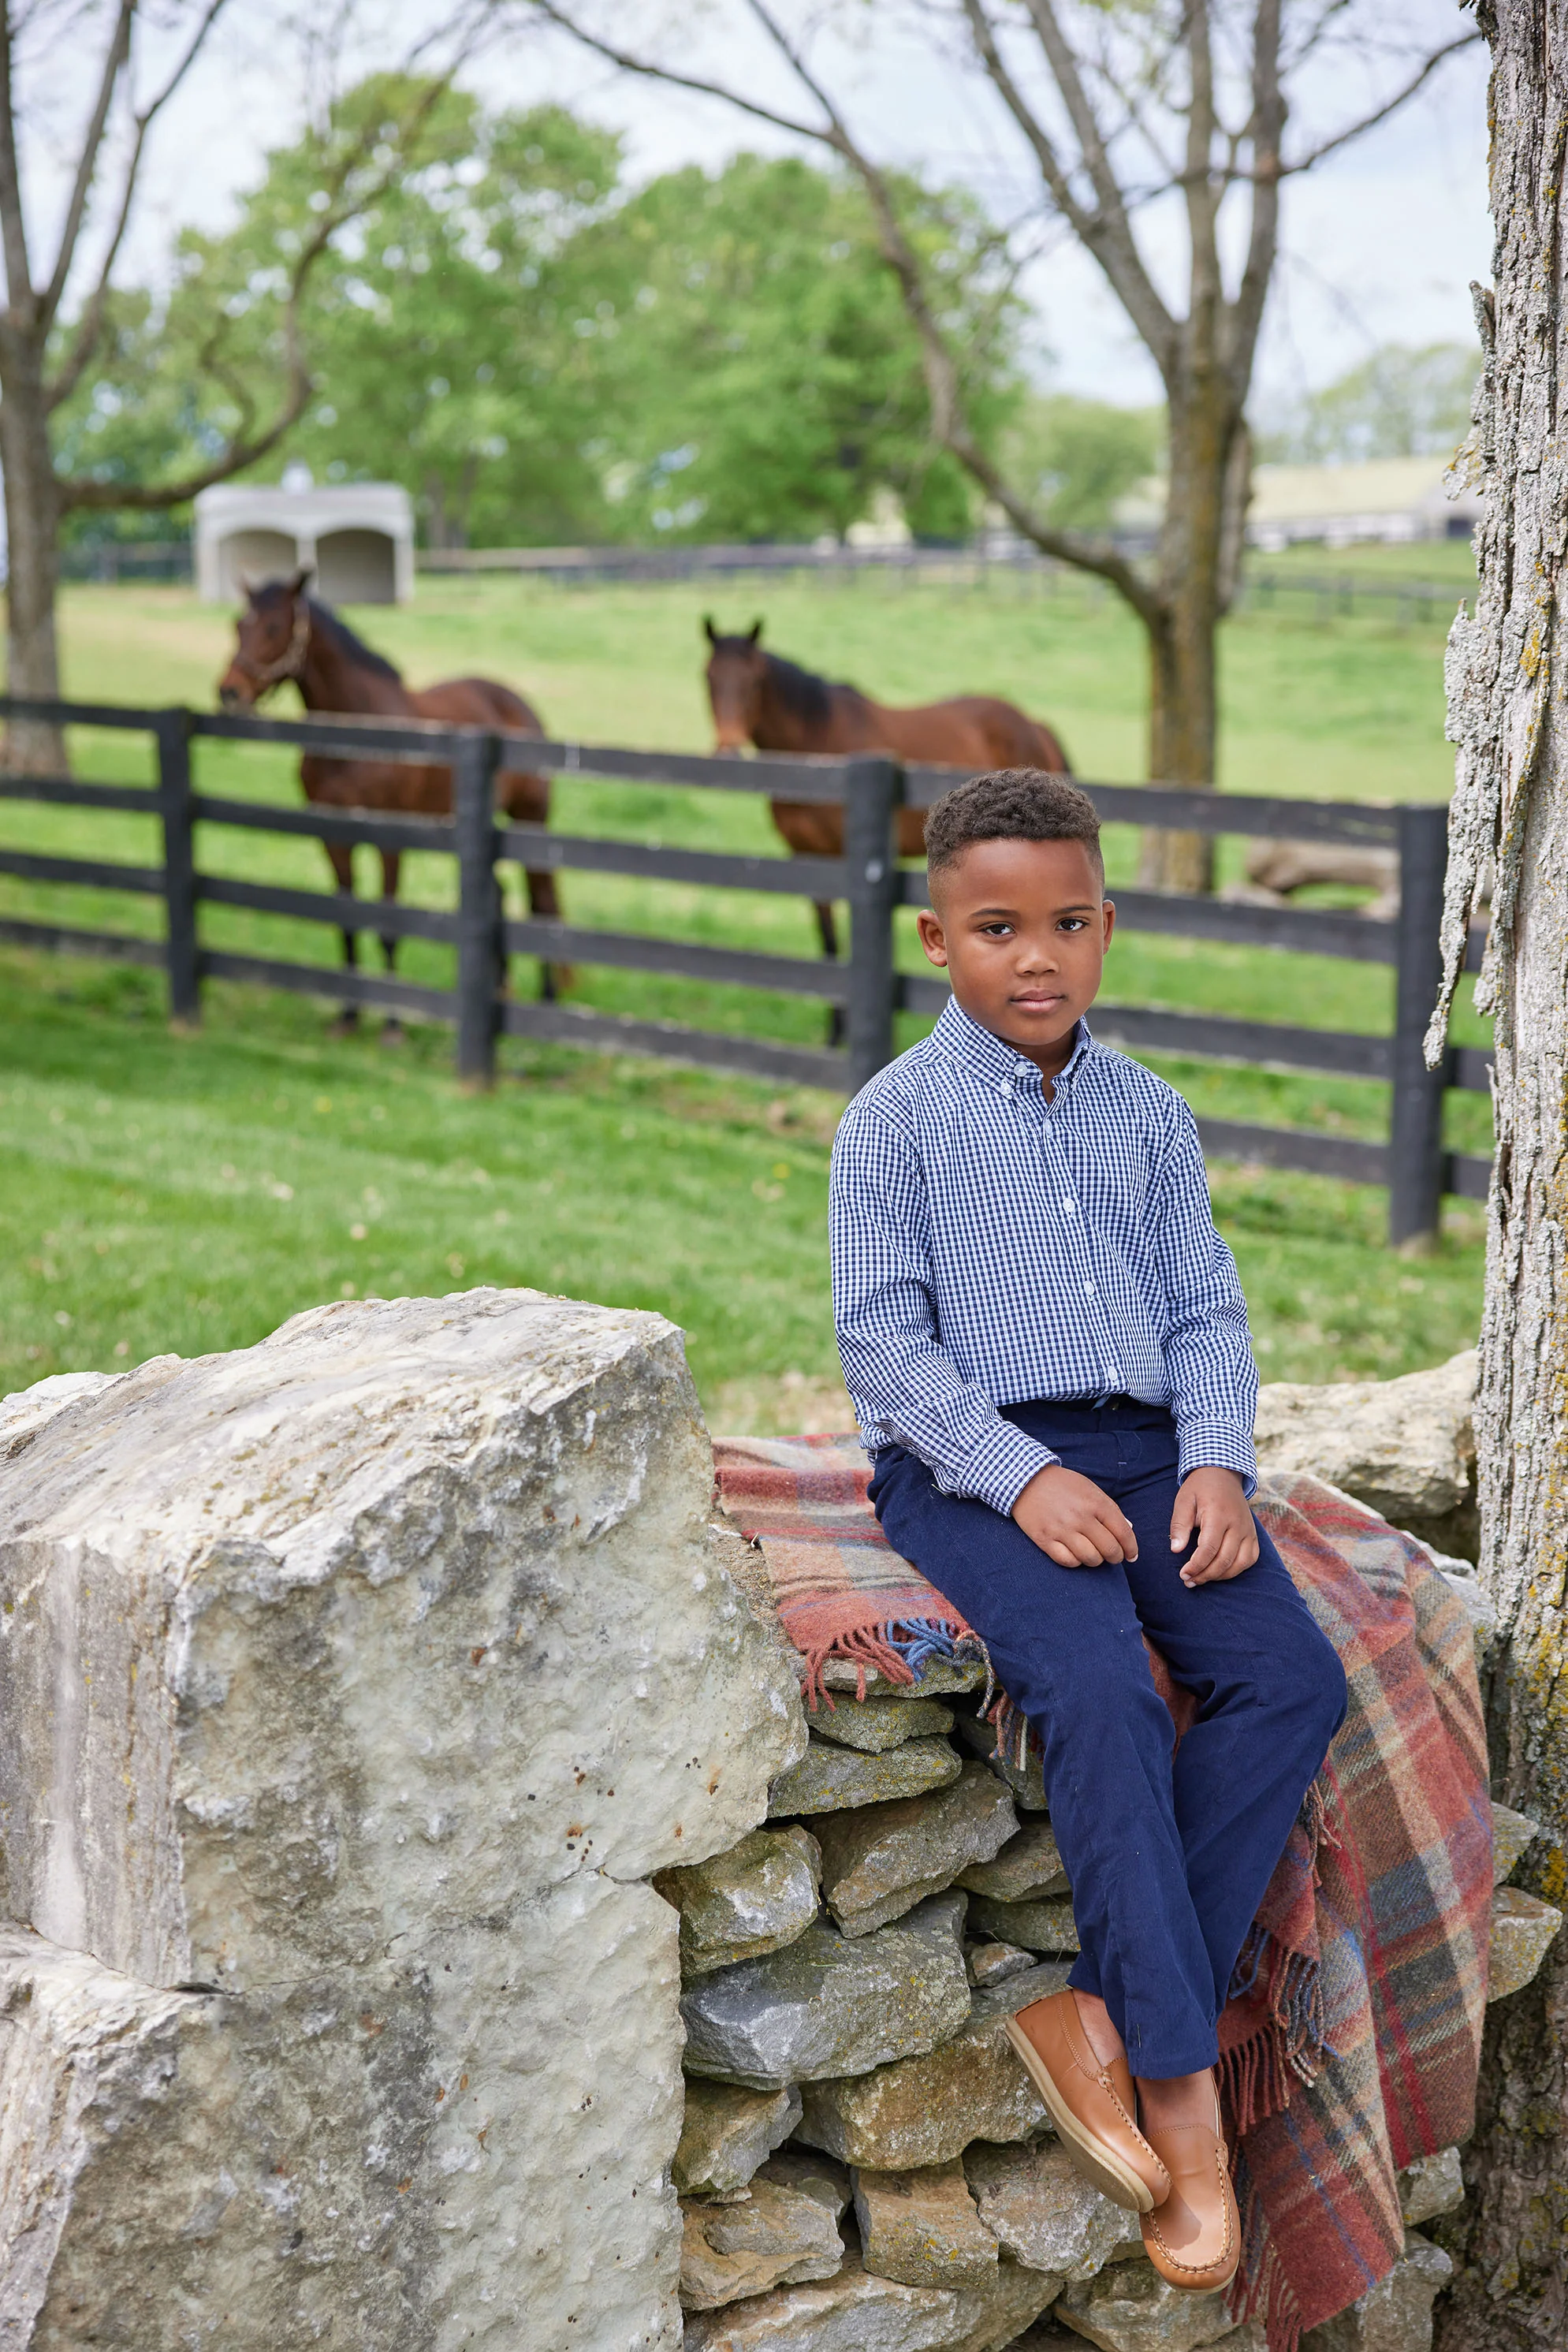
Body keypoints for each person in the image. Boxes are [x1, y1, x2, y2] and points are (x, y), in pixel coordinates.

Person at [829, 769, 1347, 2293]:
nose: (1036, 956)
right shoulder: (895, 1122)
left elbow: (1205, 1309)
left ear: (1106, 926)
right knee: (1107, 1686)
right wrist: (1015, 1473)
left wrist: (1218, 1464)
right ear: (939, 939)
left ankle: (1106, 2013)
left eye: (1067, 923)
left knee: (1290, 1678)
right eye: (998, 928)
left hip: (1148, 1455)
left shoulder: (1148, 1114)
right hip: (971, 1462)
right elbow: (883, 1344)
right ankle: (1184, 2094)